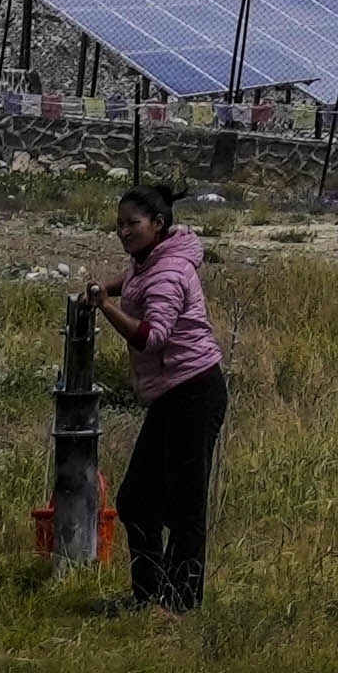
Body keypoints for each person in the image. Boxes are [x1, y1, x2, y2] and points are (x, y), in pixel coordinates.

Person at [96, 180, 230, 613]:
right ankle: (149, 595)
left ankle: (180, 604)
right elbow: (133, 281)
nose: (123, 232)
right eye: (119, 224)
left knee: (184, 504)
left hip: (194, 390)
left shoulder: (170, 271)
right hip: (171, 394)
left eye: (132, 224)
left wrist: (105, 308)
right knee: (137, 498)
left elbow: (152, 338)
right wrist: (108, 289)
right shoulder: (148, 260)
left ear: (158, 224)